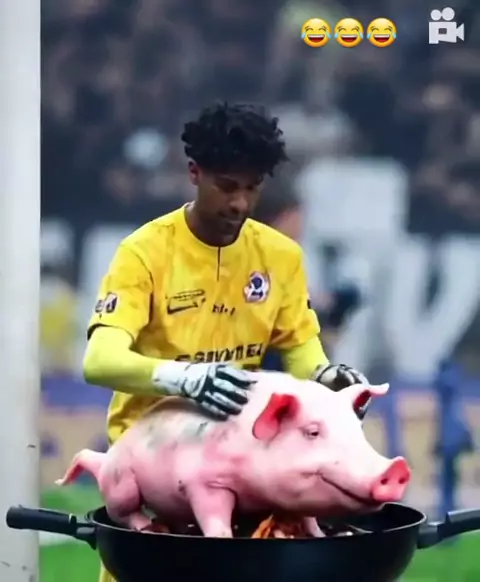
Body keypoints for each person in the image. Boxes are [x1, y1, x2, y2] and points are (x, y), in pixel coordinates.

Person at [83, 102, 369, 582]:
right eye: (227, 186)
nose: (239, 203)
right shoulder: (144, 253)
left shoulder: (280, 256)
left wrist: (328, 378)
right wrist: (184, 377)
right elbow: (99, 360)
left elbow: (301, 349)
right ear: (195, 173)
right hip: (151, 484)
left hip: (237, 475)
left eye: (252, 188)